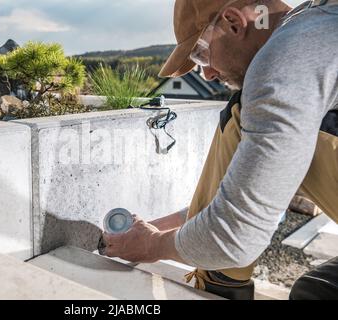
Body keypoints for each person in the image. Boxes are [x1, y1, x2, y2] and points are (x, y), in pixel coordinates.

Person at [102, 0, 338, 300]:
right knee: (316, 291)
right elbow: (262, 191)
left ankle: (217, 286)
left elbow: (235, 238)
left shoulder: (287, 56)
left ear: (233, 22)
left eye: (201, 54)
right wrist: (153, 229)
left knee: (239, 111)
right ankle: (218, 282)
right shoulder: (315, 23)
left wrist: (151, 246)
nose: (207, 74)